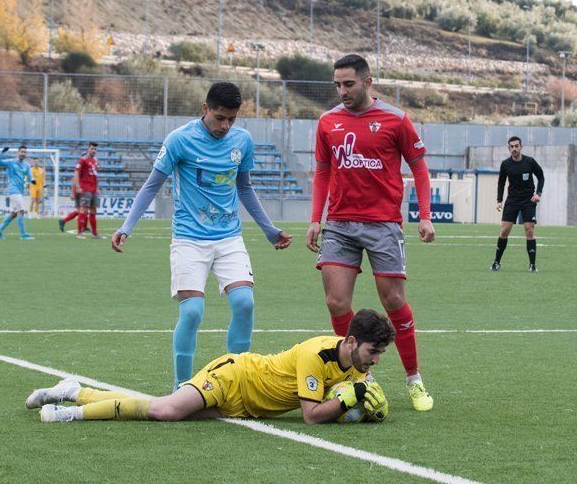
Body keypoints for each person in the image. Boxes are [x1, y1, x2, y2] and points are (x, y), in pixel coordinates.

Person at [111, 82, 293, 390]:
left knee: (245, 303)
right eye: (220, 117)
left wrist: (269, 231)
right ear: (204, 109)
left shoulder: (242, 141)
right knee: (193, 311)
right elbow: (152, 185)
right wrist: (126, 226)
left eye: (231, 119)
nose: (225, 126)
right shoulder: (180, 140)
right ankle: (183, 387)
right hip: (189, 239)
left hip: (229, 239)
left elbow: (244, 188)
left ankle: (237, 382)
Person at [306, 54, 435, 412]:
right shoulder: (327, 121)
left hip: (383, 224)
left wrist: (424, 216)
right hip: (340, 225)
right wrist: (316, 218)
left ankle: (414, 380)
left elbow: (420, 169)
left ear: (367, 82)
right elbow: (322, 173)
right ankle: (358, 376)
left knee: (393, 302)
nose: (342, 91)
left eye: (348, 84)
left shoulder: (395, 120)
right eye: (337, 85)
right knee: (336, 302)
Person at [29, 309, 393, 425]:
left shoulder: (357, 365)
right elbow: (313, 416)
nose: (373, 361)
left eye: (378, 355)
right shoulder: (317, 355)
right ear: (350, 342)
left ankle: (74, 390)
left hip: (246, 407)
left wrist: (368, 406)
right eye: (372, 352)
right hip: (235, 378)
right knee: (167, 410)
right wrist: (350, 401)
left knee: (160, 406)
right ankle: (68, 414)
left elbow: (358, 396)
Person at [492, 136, 544, 273]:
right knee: (504, 230)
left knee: (529, 229)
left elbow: (541, 176)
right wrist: (499, 200)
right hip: (512, 200)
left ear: (521, 147)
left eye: (516, 146)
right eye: (512, 147)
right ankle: (496, 262)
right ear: (509, 148)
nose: (514, 149)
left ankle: (532, 265)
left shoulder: (530, 162)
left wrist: (538, 193)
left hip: (528, 200)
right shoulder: (505, 164)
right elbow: (501, 182)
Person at [59, 142, 101, 239]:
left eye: (95, 149)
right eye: (91, 149)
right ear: (88, 149)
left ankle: (95, 234)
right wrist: (77, 187)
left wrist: (97, 188)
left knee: (93, 210)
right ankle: (79, 233)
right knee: (83, 210)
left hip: (94, 190)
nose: (93, 150)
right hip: (85, 188)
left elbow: (95, 175)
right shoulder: (83, 160)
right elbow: (76, 173)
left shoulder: (95, 160)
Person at [0, 145, 35, 240]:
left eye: (25, 152)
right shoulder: (11, 162)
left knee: (14, 214)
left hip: (20, 191)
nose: (23, 153)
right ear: (18, 153)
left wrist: (32, 180)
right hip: (13, 190)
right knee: (21, 211)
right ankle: (23, 235)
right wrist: (2, 152)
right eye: (22, 151)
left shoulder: (27, 165)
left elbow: (30, 175)